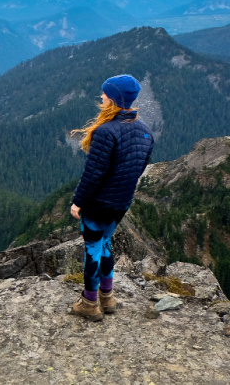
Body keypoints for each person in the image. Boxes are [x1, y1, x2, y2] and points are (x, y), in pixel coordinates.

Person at [68, 74, 153, 321]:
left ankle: (90, 303)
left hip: (99, 204)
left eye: (105, 93)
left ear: (114, 99)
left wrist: (78, 201)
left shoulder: (106, 131)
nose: (102, 96)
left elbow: (93, 174)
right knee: (105, 244)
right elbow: (138, 170)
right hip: (121, 203)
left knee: (93, 248)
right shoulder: (145, 132)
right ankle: (108, 297)